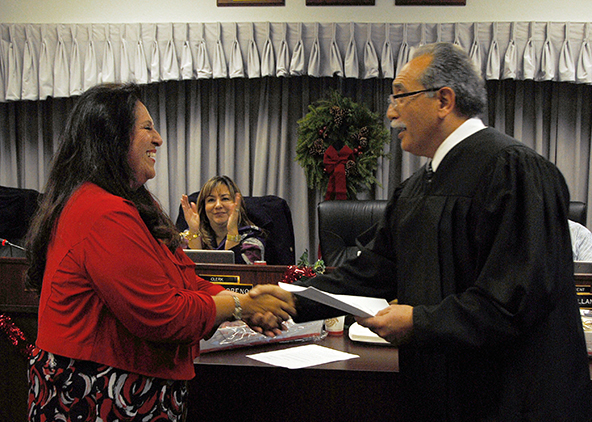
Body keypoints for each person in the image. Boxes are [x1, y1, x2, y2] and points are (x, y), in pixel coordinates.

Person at [273, 43, 592, 420]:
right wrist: (289, 300)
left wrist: (418, 322)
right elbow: (370, 273)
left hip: (511, 400)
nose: (390, 113)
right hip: (441, 397)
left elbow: (515, 300)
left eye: (399, 96)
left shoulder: (514, 170)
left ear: (444, 100)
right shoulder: (415, 189)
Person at [24, 83, 295, 422]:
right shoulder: (101, 211)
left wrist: (241, 303)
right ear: (113, 135)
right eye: (147, 127)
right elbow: (162, 313)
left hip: (124, 389)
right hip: (95, 392)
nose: (159, 139)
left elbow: (185, 278)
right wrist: (240, 304)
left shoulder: (133, 205)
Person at [180, 175, 265, 264]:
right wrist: (194, 232)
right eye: (211, 200)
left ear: (237, 204)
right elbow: (189, 273)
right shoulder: (188, 236)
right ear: (203, 207)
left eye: (225, 199)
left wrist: (232, 232)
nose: (218, 205)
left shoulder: (252, 240)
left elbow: (241, 275)